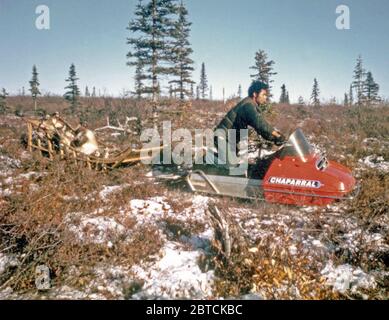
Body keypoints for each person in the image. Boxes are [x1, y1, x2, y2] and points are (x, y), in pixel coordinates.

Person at [205, 80, 286, 174]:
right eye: (263, 94)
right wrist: (277, 135)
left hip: (230, 140)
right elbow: (260, 123)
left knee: (232, 167)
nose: (265, 97)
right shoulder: (248, 105)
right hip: (222, 137)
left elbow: (260, 128)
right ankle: (206, 160)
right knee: (230, 165)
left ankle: (214, 170)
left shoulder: (252, 105)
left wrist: (273, 138)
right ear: (255, 94)